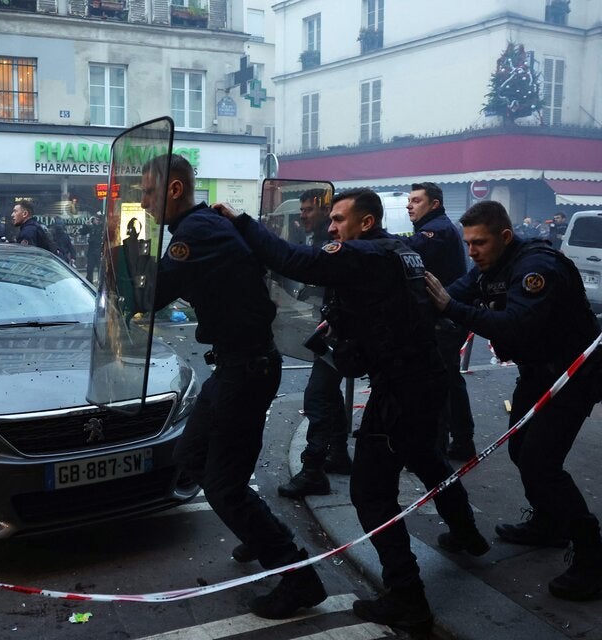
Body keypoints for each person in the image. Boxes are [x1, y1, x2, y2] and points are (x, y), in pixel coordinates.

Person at [218, 188, 487, 633]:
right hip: (423, 377)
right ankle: (466, 533)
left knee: (371, 494)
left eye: (340, 219)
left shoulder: (362, 253)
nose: (331, 227)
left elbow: (293, 261)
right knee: (425, 457)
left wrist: (242, 222)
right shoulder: (399, 252)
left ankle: (408, 598)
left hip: (400, 388)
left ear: (365, 222)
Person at [141, 154, 327, 619]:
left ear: (175, 189)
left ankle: (297, 576)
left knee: (222, 485)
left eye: (148, 192)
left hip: (246, 371)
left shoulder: (196, 232)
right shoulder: (201, 227)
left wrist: (122, 269)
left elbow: (155, 291)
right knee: (193, 459)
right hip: (239, 366)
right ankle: (255, 528)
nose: (143, 203)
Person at [425, 200, 602, 602]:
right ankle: (549, 523)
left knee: (543, 463)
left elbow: (516, 326)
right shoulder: (492, 266)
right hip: (537, 372)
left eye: (480, 243)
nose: (472, 252)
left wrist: (451, 308)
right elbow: (451, 294)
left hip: (571, 377)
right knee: (522, 451)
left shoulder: (536, 268)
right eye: (468, 243)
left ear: (505, 237)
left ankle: (592, 554)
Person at [277, 188, 351, 500]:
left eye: (309, 210)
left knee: (318, 396)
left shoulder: (335, 244)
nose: (303, 215)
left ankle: (313, 470)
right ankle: (338, 454)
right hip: (341, 331)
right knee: (327, 394)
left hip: (345, 333)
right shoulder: (325, 240)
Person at [402, 182, 477, 461]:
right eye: (409, 200)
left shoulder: (438, 230)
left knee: (439, 382)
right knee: (449, 380)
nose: (409, 205)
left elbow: (405, 251)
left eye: (416, 200)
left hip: (444, 319)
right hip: (448, 316)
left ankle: (438, 449)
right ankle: (461, 441)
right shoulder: (436, 227)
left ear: (434, 204)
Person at [79, 213, 104, 283]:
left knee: (100, 268)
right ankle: (89, 283)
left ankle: (101, 283)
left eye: (99, 220)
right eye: (96, 219)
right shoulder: (91, 226)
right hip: (92, 249)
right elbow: (82, 232)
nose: (97, 221)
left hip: (100, 249)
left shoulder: (103, 227)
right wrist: (86, 225)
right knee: (90, 268)